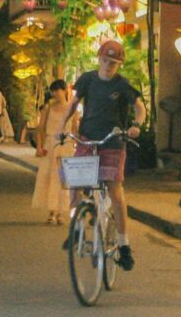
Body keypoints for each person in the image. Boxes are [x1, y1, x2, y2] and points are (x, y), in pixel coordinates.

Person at [59, 40, 146, 271]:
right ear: (99, 59)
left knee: (115, 190)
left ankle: (124, 245)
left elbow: (140, 107)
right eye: (106, 60)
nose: (109, 65)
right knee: (75, 184)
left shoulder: (122, 85)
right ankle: (76, 229)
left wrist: (137, 124)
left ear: (119, 64)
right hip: (87, 138)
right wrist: (61, 127)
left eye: (114, 62)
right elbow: (72, 105)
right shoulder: (87, 79)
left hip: (113, 141)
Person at [33, 80, 76, 224]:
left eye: (58, 90)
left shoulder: (72, 109)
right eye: (53, 91)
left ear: (65, 91)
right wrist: (39, 146)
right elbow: (41, 128)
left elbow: (76, 130)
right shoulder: (48, 108)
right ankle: (51, 212)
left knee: (63, 180)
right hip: (50, 145)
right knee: (50, 178)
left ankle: (60, 213)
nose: (55, 94)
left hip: (66, 146)